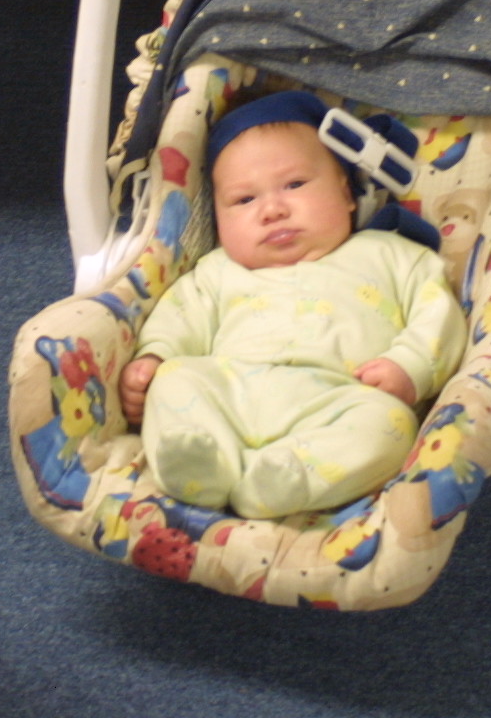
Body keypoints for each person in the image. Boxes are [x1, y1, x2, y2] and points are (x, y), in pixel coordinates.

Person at [119, 91, 466, 519]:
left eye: (295, 185)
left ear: (346, 192)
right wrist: (154, 358)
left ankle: (287, 479)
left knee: (390, 424)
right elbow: (179, 318)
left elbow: (438, 313)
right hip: (231, 392)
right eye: (244, 200)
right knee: (175, 378)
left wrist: (409, 365)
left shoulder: (390, 253)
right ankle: (202, 467)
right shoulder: (217, 271)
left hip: (339, 399)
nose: (272, 210)